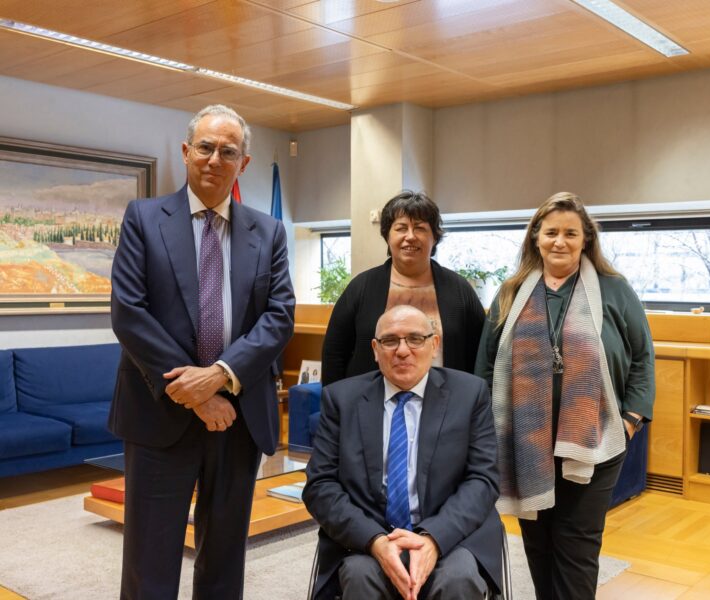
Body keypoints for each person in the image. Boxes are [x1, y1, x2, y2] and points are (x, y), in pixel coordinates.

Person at [109, 104, 295, 599]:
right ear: (187, 152)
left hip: (239, 416)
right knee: (150, 555)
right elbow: (129, 313)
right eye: (206, 147)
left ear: (244, 163)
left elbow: (279, 316)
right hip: (157, 413)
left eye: (228, 151)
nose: (215, 159)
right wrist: (193, 391)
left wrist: (220, 375)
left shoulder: (269, 232)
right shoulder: (144, 218)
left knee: (225, 552)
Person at [475, 192, 655, 600]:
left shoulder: (614, 290)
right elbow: (486, 368)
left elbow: (643, 358)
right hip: (524, 443)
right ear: (535, 237)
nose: (560, 241)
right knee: (537, 544)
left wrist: (630, 421)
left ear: (586, 239)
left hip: (595, 442)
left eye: (570, 233)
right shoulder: (510, 292)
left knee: (576, 544)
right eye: (551, 232)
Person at [304, 305, 503, 600]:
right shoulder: (341, 400)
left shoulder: (470, 394)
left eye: (415, 339)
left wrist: (433, 539)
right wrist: (375, 541)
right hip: (368, 538)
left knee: (458, 579)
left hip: (450, 537)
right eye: (390, 341)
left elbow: (483, 480)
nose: (402, 350)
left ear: (434, 344)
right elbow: (320, 486)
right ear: (375, 349)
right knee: (360, 578)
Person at [321, 191, 485, 386]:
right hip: (370, 408)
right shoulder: (362, 287)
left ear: (434, 238)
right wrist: (338, 407)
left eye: (420, 228)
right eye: (401, 228)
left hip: (445, 407)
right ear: (387, 237)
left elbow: (480, 355)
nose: (410, 236)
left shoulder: (459, 290)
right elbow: (334, 353)